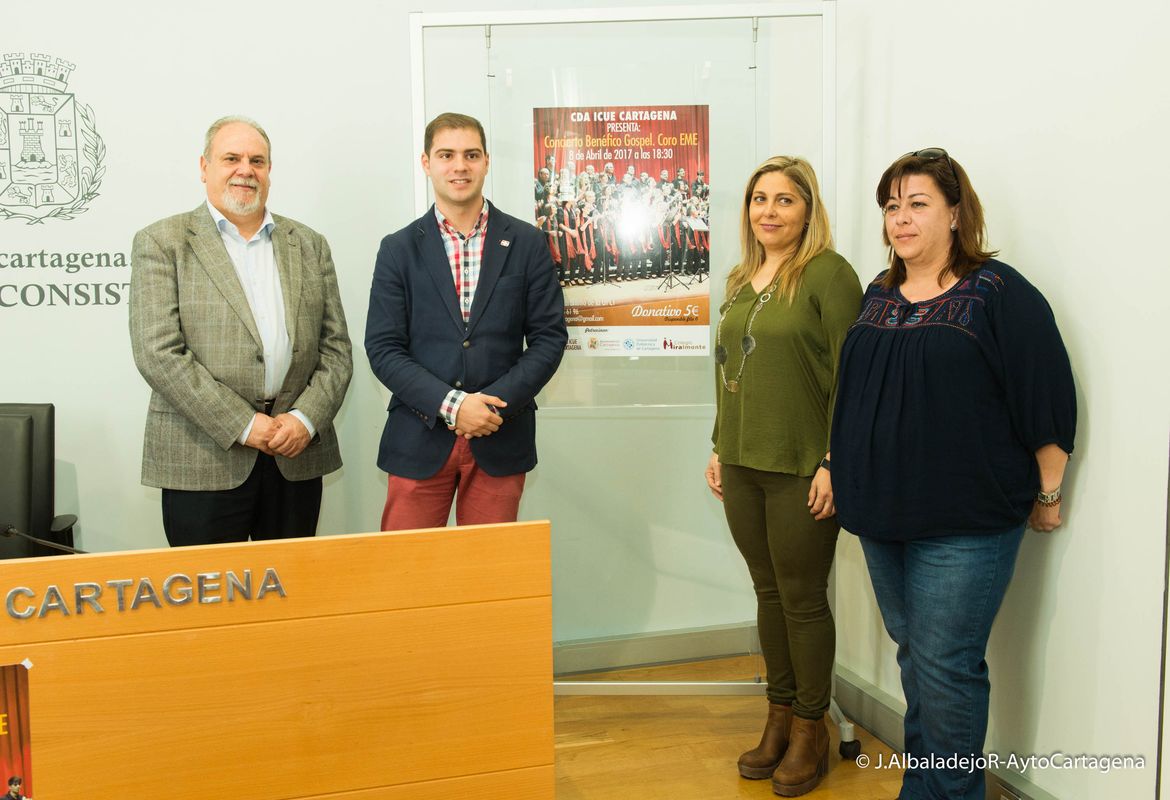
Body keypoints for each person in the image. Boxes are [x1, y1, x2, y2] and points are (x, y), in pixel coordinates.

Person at [831, 149, 1076, 800]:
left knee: (944, 665)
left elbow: (1045, 395)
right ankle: (927, 790)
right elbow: (854, 396)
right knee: (919, 658)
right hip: (884, 515)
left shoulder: (998, 293)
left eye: (917, 204)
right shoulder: (878, 294)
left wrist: (1049, 491)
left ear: (956, 213)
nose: (901, 219)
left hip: (966, 521)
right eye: (891, 206)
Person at [704, 156, 862, 796]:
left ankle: (809, 730)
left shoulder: (830, 275)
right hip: (741, 461)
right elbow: (728, 371)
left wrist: (835, 460)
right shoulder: (742, 278)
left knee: (801, 597)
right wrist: (719, 443)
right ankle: (777, 717)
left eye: (785, 200)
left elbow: (854, 381)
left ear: (808, 209)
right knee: (767, 593)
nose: (769, 211)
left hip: (801, 467)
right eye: (759, 199)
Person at [129, 116, 353, 547]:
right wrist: (244, 425)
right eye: (231, 158)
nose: (245, 170)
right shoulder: (163, 242)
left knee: (291, 595)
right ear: (204, 167)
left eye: (257, 160)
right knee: (208, 600)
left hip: (295, 453)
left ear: (269, 170)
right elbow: (158, 352)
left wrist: (304, 419)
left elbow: (336, 349)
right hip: (203, 458)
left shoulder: (308, 243)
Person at [366, 112, 567, 531]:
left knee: (490, 583)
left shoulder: (528, 243)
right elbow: (383, 348)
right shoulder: (397, 249)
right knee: (408, 578)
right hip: (419, 438)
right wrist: (454, 406)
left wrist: (488, 406)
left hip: (500, 433)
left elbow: (549, 339)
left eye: (471, 154)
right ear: (427, 163)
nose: (460, 166)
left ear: (486, 162)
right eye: (447, 154)